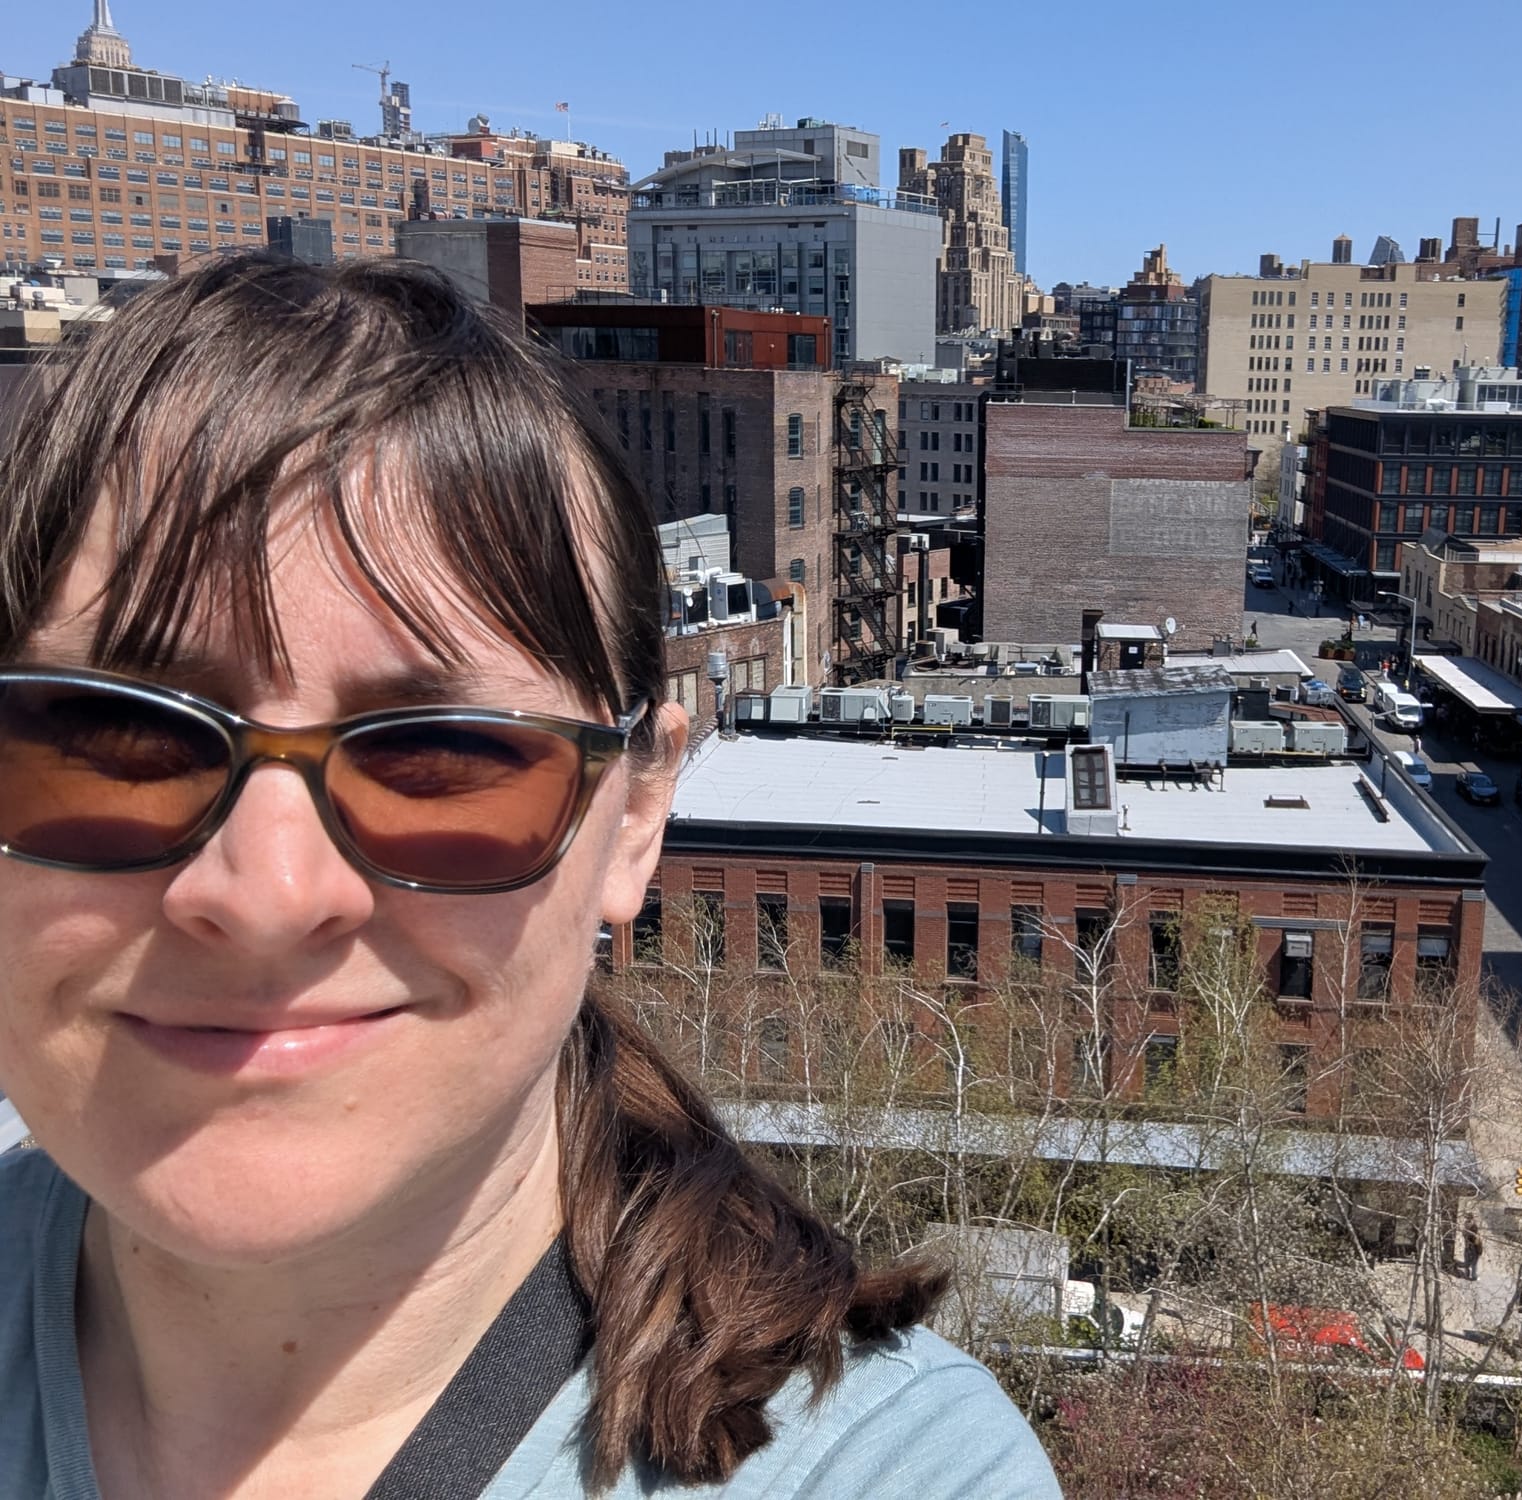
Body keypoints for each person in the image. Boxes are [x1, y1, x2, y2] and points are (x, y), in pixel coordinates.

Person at [0, 256, 1060, 1498]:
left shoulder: (888, 1474)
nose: (267, 892)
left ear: (633, 814)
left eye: (444, 758)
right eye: (119, 743)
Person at [1462, 1215, 1484, 1282]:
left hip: (1467, 1246)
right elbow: (1475, 1237)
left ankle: (1466, 1274)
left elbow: (1464, 1234)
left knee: (1467, 1261)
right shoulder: (1473, 1226)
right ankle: (1473, 1276)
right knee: (1474, 1262)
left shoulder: (1465, 1225)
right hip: (1473, 1246)